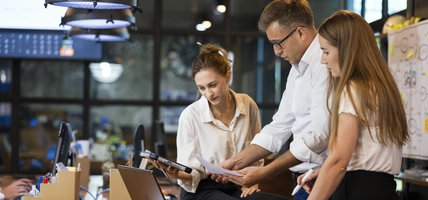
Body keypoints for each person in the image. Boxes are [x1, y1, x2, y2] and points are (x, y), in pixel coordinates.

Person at [217, 0, 330, 199]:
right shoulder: (297, 70)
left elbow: (319, 136)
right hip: (304, 180)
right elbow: (279, 127)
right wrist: (237, 161)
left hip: (324, 180)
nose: (276, 51)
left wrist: (266, 172)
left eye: (278, 43)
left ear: (300, 33)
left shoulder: (325, 64)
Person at [151, 43, 288, 200]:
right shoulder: (190, 116)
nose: (208, 93)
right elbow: (193, 173)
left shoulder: (247, 105)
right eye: (201, 88)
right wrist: (177, 174)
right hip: (200, 191)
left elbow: (257, 151)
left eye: (213, 85)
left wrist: (253, 182)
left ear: (227, 76)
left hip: (236, 186)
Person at [297, 10, 409, 200]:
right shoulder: (381, 87)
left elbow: (339, 161)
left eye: (326, 52)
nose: (323, 60)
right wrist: (325, 174)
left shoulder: (354, 89)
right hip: (384, 189)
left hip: (359, 190)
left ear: (346, 49)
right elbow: (363, 155)